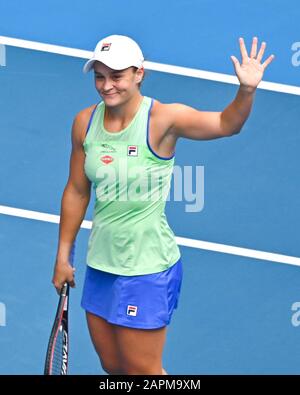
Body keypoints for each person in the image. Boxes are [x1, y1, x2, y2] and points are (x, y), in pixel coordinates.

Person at [52, 34, 274, 375]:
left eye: (116, 76)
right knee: (114, 367)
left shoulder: (163, 120)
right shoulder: (85, 122)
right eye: (99, 76)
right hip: (101, 264)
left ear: (139, 73)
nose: (106, 86)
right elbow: (77, 190)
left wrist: (246, 91)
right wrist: (63, 254)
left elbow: (226, 124)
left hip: (147, 268)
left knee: (144, 372)